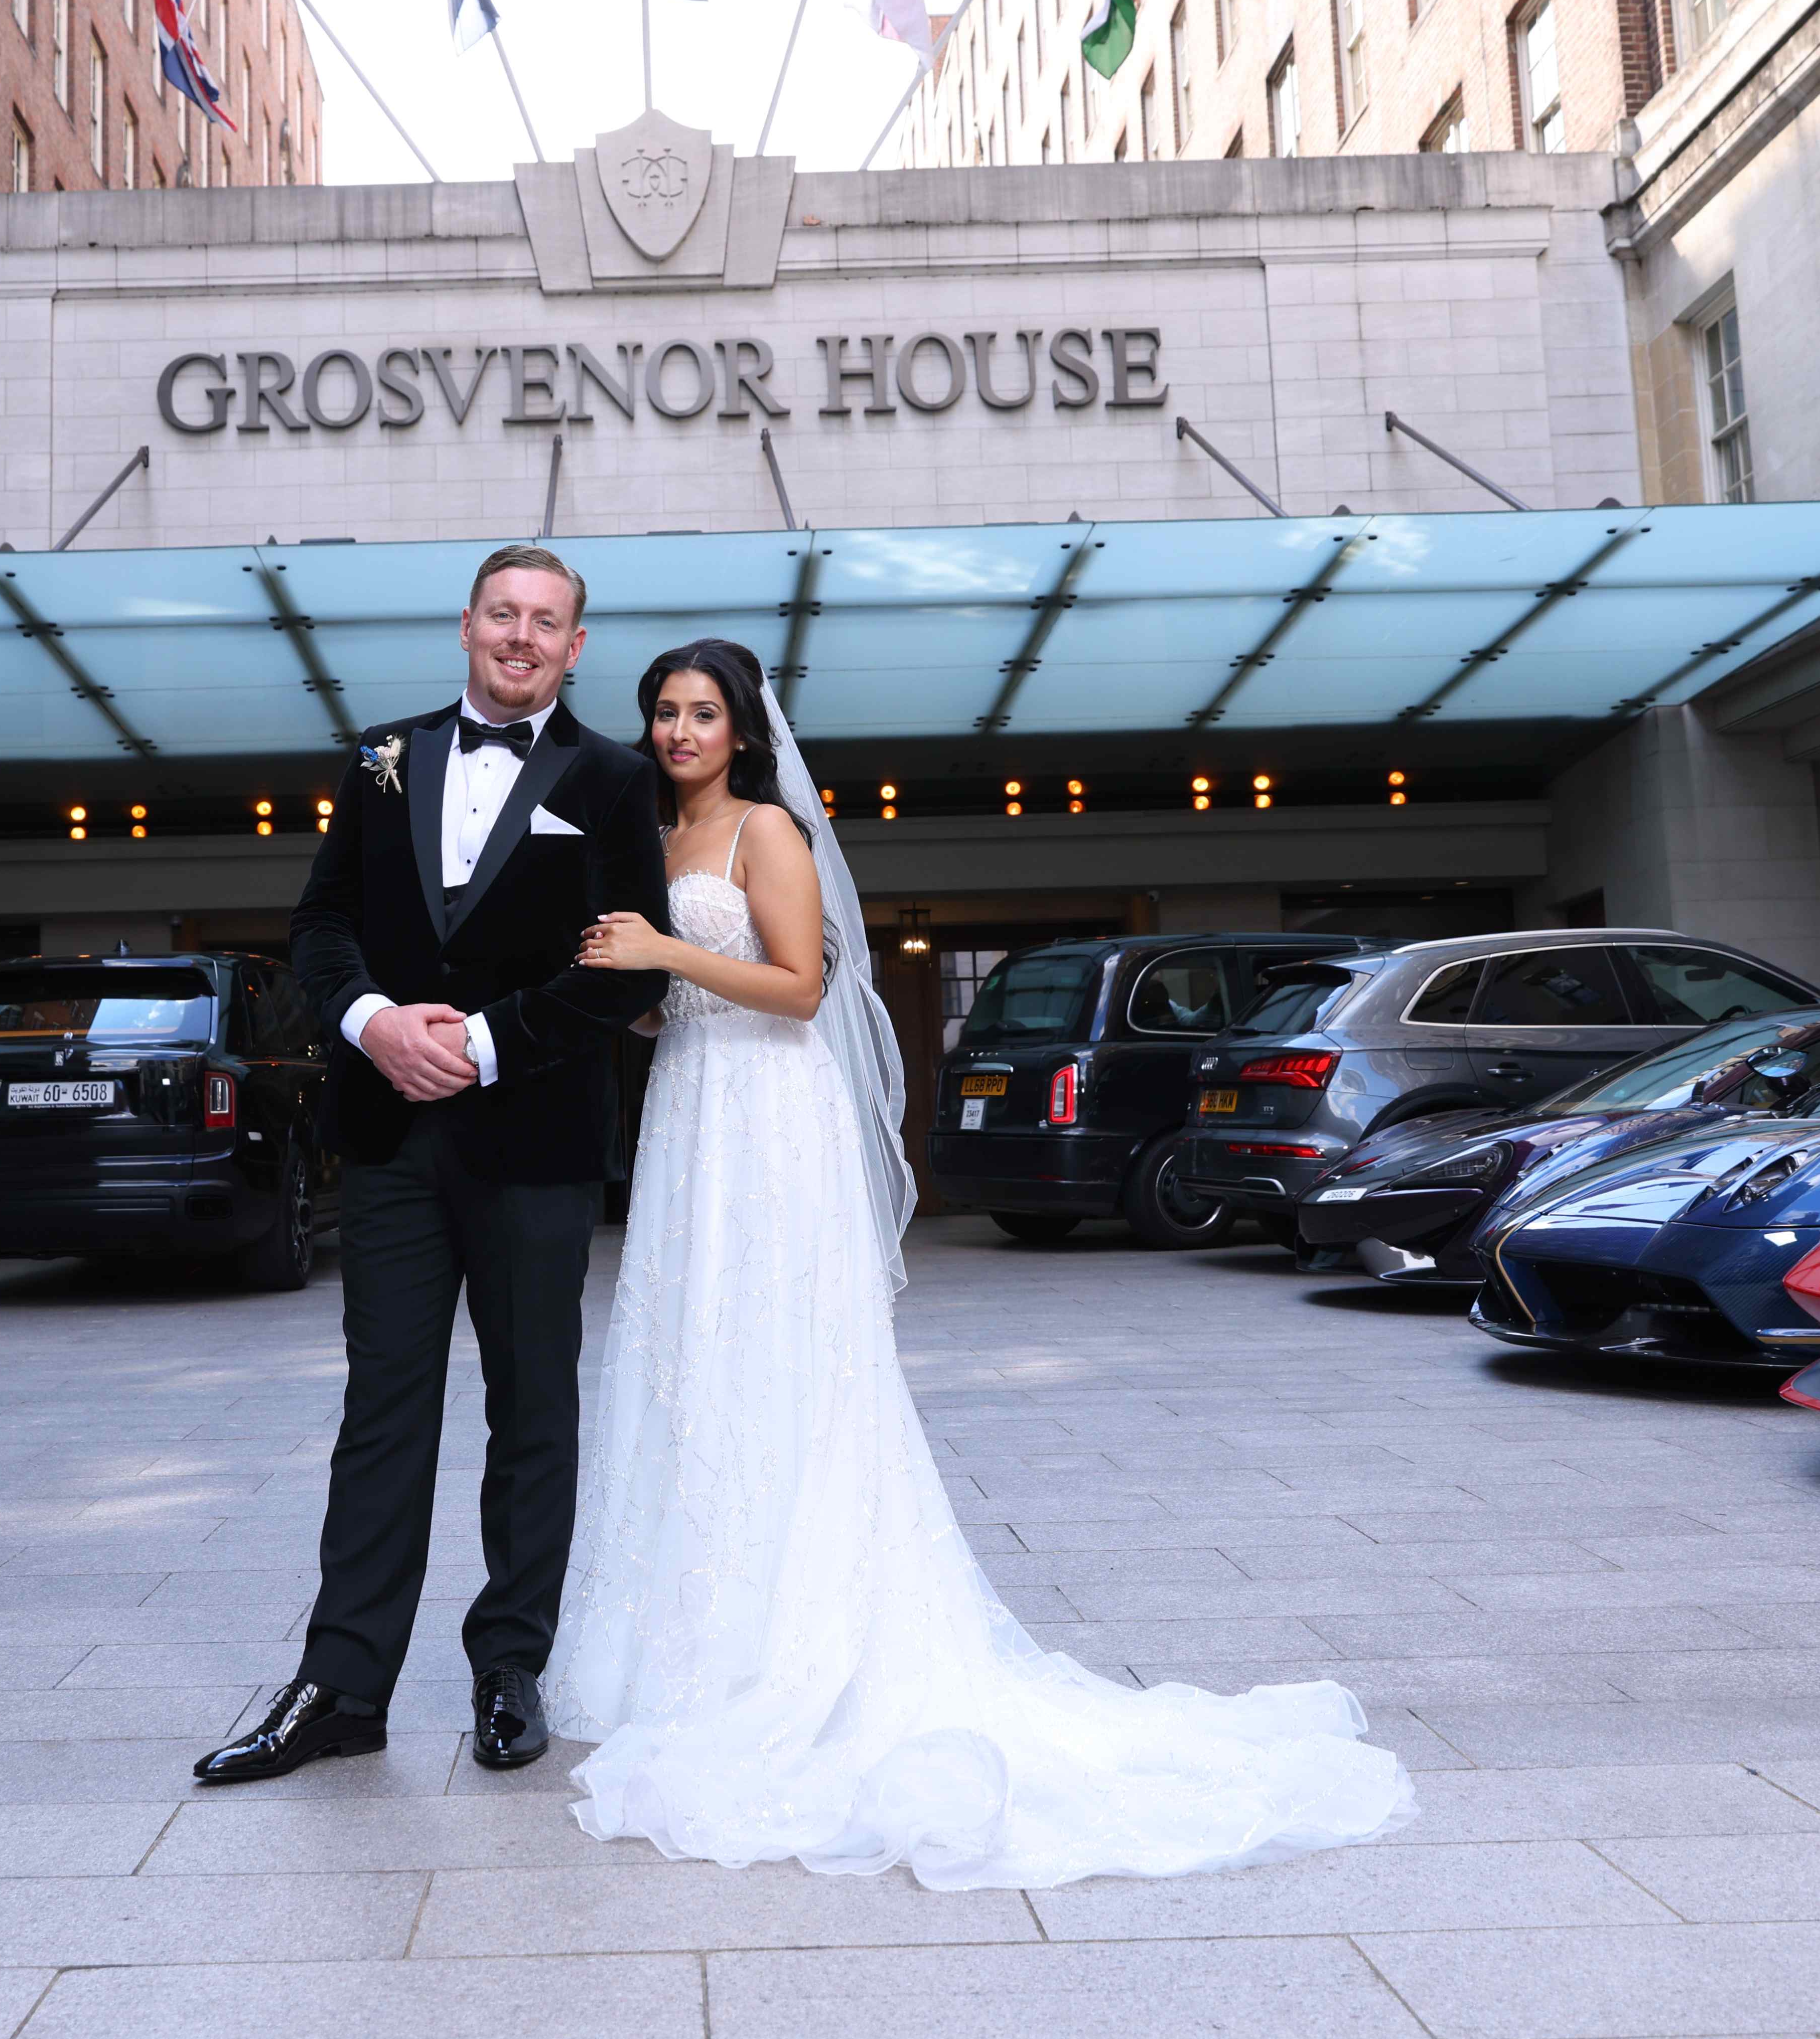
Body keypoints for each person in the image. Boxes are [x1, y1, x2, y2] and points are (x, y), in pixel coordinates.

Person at [544, 638, 1412, 1888]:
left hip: (768, 1119)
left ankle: (797, 1640)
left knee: (781, 1355)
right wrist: (628, 990)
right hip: (688, 1111)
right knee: (690, 1358)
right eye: (665, 713)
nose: (680, 732)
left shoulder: (764, 834)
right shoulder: (648, 836)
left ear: (741, 730)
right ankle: (685, 1638)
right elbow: (664, 997)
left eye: (702, 714)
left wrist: (667, 956)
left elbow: (795, 990)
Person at [193, 547, 673, 1786]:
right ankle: (341, 1686)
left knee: (534, 1414)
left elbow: (632, 960)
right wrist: (371, 1023)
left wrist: (488, 1045)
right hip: (394, 1139)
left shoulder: (616, 781)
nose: (521, 636)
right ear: (466, 626)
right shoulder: (378, 756)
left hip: (536, 1141)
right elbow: (320, 921)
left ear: (576, 648)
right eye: (502, 614)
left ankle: (511, 1671)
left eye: (547, 622)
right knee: (382, 1414)